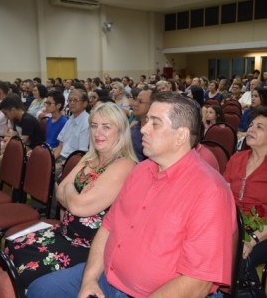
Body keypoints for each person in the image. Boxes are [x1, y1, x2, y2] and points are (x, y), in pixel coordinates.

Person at [27, 92, 237, 298]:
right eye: (146, 121)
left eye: (154, 123)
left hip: (153, 293)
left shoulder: (209, 191)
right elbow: (108, 228)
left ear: (181, 135)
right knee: (40, 290)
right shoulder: (141, 171)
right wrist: (90, 280)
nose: (143, 128)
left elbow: (197, 283)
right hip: (108, 278)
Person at [5, 102, 137, 288]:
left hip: (88, 248)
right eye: (94, 126)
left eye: (106, 127)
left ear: (121, 132)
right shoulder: (90, 157)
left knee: (26, 271)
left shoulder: (124, 165)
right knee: (12, 247)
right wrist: (74, 195)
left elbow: (77, 206)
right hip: (64, 233)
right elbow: (59, 191)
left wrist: (70, 195)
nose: (98, 132)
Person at [224, 107, 267, 293]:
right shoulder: (237, 158)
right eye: (250, 125)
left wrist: (252, 240)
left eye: (259, 127)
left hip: (262, 232)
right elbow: (222, 195)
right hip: (233, 226)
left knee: (238, 260)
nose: (250, 129)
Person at [54, 89, 90, 178]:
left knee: (49, 174)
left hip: (73, 162)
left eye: (75, 100)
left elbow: (81, 155)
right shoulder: (70, 119)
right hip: (62, 158)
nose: (72, 103)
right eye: (70, 100)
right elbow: (60, 146)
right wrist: (50, 161)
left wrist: (63, 165)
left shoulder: (86, 122)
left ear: (85, 103)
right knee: (41, 166)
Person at [130, 89, 153, 161]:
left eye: (140, 101)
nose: (135, 104)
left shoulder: (156, 133)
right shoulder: (133, 129)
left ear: (152, 105)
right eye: (136, 100)